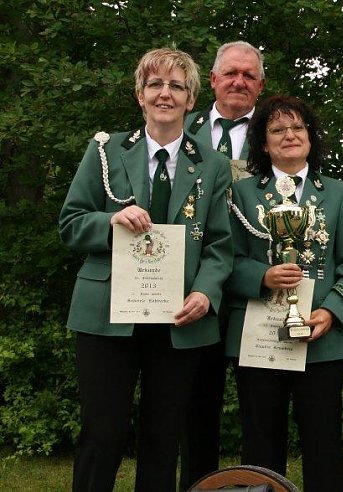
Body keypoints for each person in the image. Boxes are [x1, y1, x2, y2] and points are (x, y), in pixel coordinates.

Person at [58, 47, 233, 491]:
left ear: (192, 99)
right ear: (140, 94)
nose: (165, 94)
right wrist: (110, 221)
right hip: (107, 315)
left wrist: (207, 292)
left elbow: (220, 244)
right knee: (103, 434)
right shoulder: (105, 151)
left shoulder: (212, 165)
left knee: (163, 439)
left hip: (179, 318)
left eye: (176, 86)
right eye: (155, 84)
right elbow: (71, 223)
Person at [225, 94, 343, 490]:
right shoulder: (241, 193)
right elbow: (227, 260)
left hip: (320, 337)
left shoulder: (338, 194)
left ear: (310, 135)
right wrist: (263, 276)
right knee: (260, 442)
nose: (289, 135)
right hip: (260, 337)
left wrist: (332, 313)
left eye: (297, 127)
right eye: (277, 129)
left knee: (323, 444)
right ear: (263, 142)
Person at [180, 40, 266, 489]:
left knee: (261, 409)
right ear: (212, 80)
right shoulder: (181, 130)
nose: (239, 81)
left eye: (249, 75)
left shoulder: (276, 134)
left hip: (260, 284)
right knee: (196, 404)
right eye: (230, 73)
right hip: (198, 285)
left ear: (260, 85)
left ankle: (259, 486)